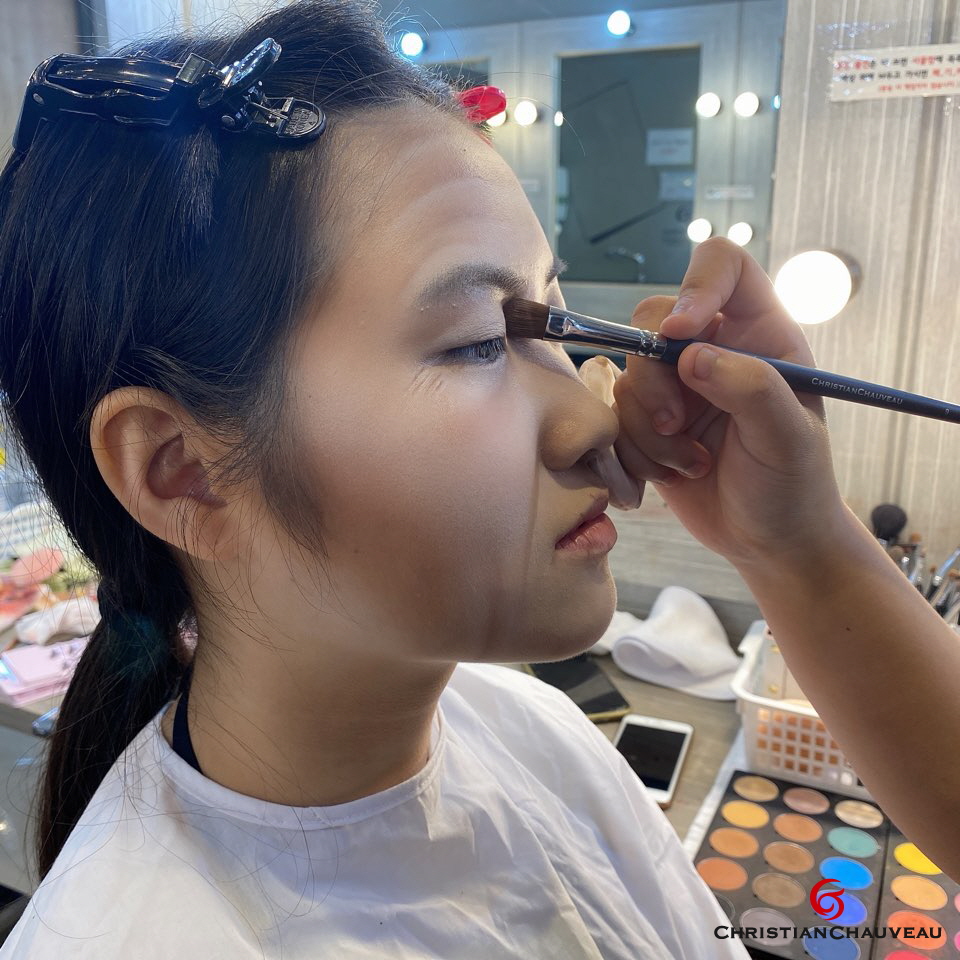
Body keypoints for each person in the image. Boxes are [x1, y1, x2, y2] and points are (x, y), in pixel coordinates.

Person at [0, 1, 954, 957]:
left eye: (555, 317)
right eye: (475, 343)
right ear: (184, 473)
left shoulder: (535, 728)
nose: (593, 416)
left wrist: (799, 542)